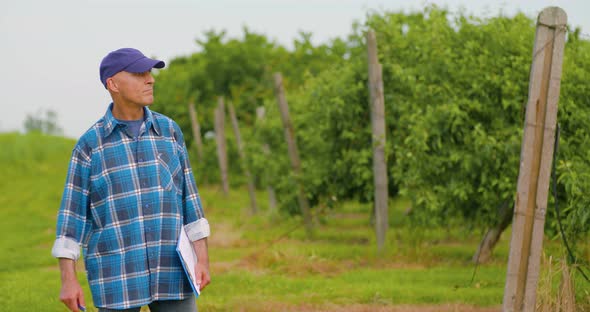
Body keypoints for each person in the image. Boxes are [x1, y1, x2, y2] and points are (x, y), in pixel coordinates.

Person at [51, 48, 211, 312]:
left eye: (149, 72)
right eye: (139, 74)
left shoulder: (169, 132)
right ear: (113, 84)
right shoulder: (89, 146)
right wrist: (68, 280)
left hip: (171, 270)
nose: (150, 79)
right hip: (116, 276)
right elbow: (71, 219)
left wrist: (202, 259)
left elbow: (190, 202)